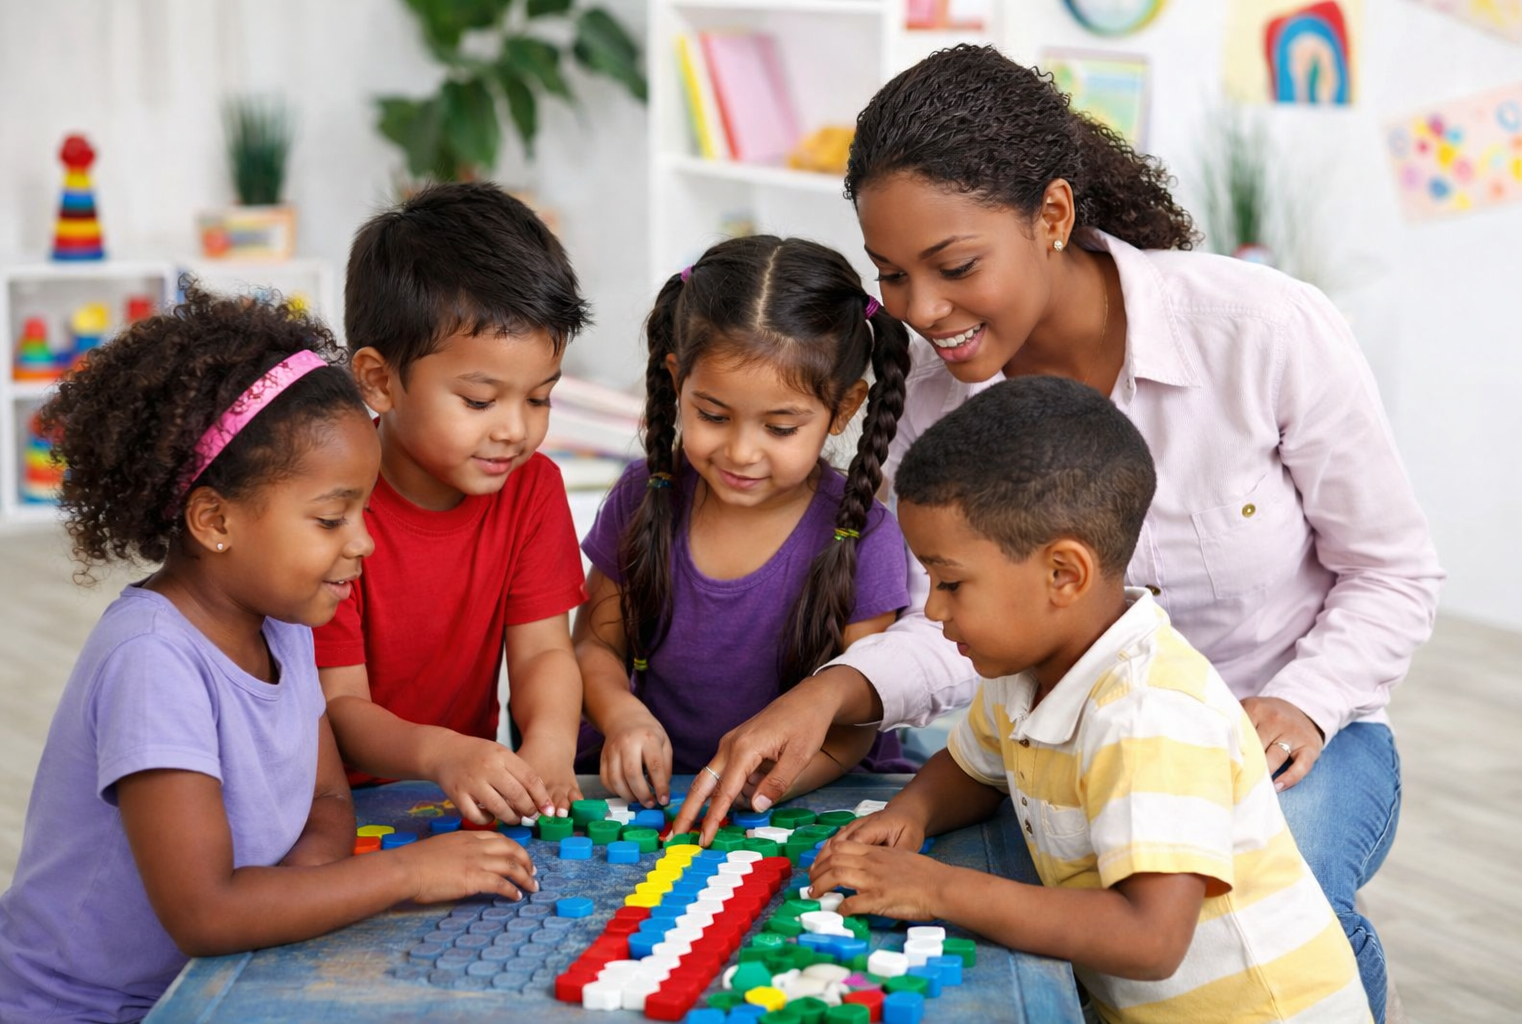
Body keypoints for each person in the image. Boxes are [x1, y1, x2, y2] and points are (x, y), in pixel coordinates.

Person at [672, 45, 1441, 1022]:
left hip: (1288, 738)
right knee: (898, 888)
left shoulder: (1262, 330)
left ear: (1053, 216)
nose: (923, 311)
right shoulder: (932, 392)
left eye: (954, 268)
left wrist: (1306, 700)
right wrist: (836, 689)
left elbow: (1393, 569)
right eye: (893, 277)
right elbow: (947, 620)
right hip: (1066, 754)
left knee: (1252, 891)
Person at [0, 289, 538, 1024]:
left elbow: (326, 801)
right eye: (330, 518)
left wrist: (287, 899)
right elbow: (208, 913)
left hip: (219, 985)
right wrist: (405, 872)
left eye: (363, 512)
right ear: (216, 520)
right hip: (93, 1010)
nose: (364, 543)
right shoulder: (153, 662)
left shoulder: (283, 620)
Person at [809, 376, 1371, 1023]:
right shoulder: (1020, 668)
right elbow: (972, 770)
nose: (932, 609)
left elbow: (1150, 939)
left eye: (951, 582)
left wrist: (938, 888)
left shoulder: (1147, 713)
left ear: (1063, 575)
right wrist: (912, 813)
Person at [573, 235, 912, 808]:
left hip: (808, 792)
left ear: (845, 409)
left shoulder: (866, 537)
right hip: (656, 791)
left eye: (780, 428)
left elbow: (854, 721)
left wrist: (762, 788)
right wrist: (622, 715)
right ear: (678, 379)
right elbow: (594, 647)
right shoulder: (644, 493)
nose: (740, 452)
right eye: (712, 415)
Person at [315, 182, 592, 822]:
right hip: (329, 803)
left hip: (455, 793)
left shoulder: (532, 487)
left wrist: (550, 747)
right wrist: (445, 754)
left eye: (539, 398)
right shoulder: (331, 507)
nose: (513, 430)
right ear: (380, 382)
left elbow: (545, 653)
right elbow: (342, 709)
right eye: (478, 400)